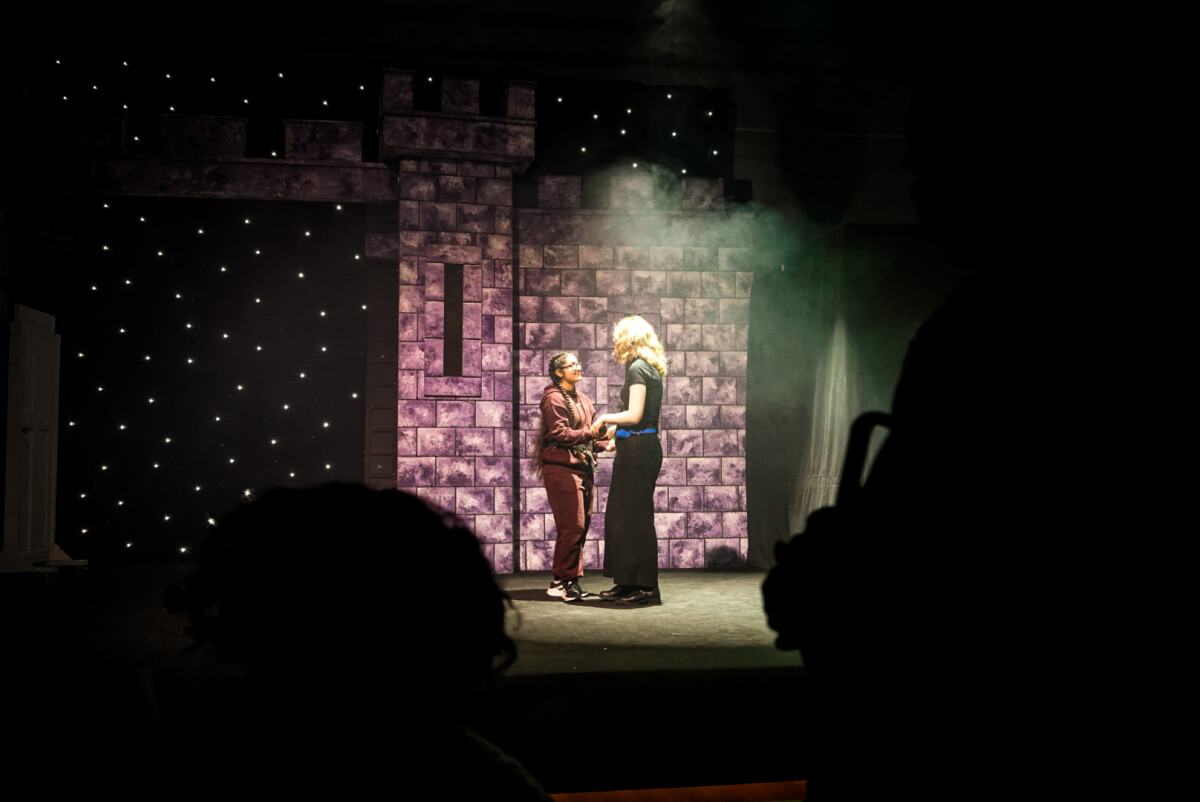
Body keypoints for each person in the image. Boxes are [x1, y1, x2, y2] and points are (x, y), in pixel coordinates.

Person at [590, 315, 666, 605]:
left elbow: (635, 415)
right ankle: (627, 582)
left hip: (638, 449)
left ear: (629, 338)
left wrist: (605, 418)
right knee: (623, 517)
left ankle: (647, 588)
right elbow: (639, 418)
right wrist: (616, 431)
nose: (615, 341)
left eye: (618, 336)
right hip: (635, 445)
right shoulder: (643, 366)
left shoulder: (637, 368)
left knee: (636, 518)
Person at [533, 351, 611, 602]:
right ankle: (568, 581)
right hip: (561, 469)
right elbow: (560, 434)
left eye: (578, 363)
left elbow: (591, 437)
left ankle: (560, 580)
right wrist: (592, 435)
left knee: (579, 527)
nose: (577, 367)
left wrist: (607, 443)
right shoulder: (553, 399)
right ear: (559, 373)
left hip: (582, 468)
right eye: (571, 365)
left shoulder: (583, 399)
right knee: (572, 527)